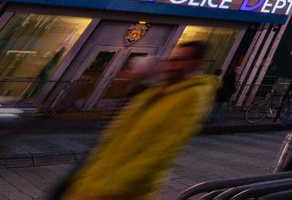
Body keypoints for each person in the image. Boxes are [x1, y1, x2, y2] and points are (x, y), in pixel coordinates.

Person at [60, 41, 216, 200]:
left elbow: (160, 151)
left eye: (180, 61)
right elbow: (116, 134)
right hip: (93, 181)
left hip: (118, 192)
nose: (173, 65)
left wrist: (111, 187)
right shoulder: (154, 91)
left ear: (195, 64)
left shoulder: (191, 97)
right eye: (172, 60)